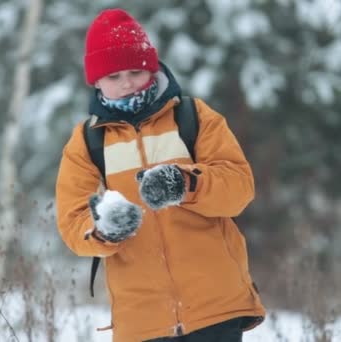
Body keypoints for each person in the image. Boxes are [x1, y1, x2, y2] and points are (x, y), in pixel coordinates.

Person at [55, 8, 265, 342]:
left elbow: (239, 187)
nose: (126, 83)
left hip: (215, 308)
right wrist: (105, 229)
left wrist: (184, 183)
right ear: (96, 81)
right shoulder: (87, 142)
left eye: (135, 71)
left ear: (151, 67)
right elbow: (71, 223)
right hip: (142, 322)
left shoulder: (193, 116)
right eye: (114, 76)